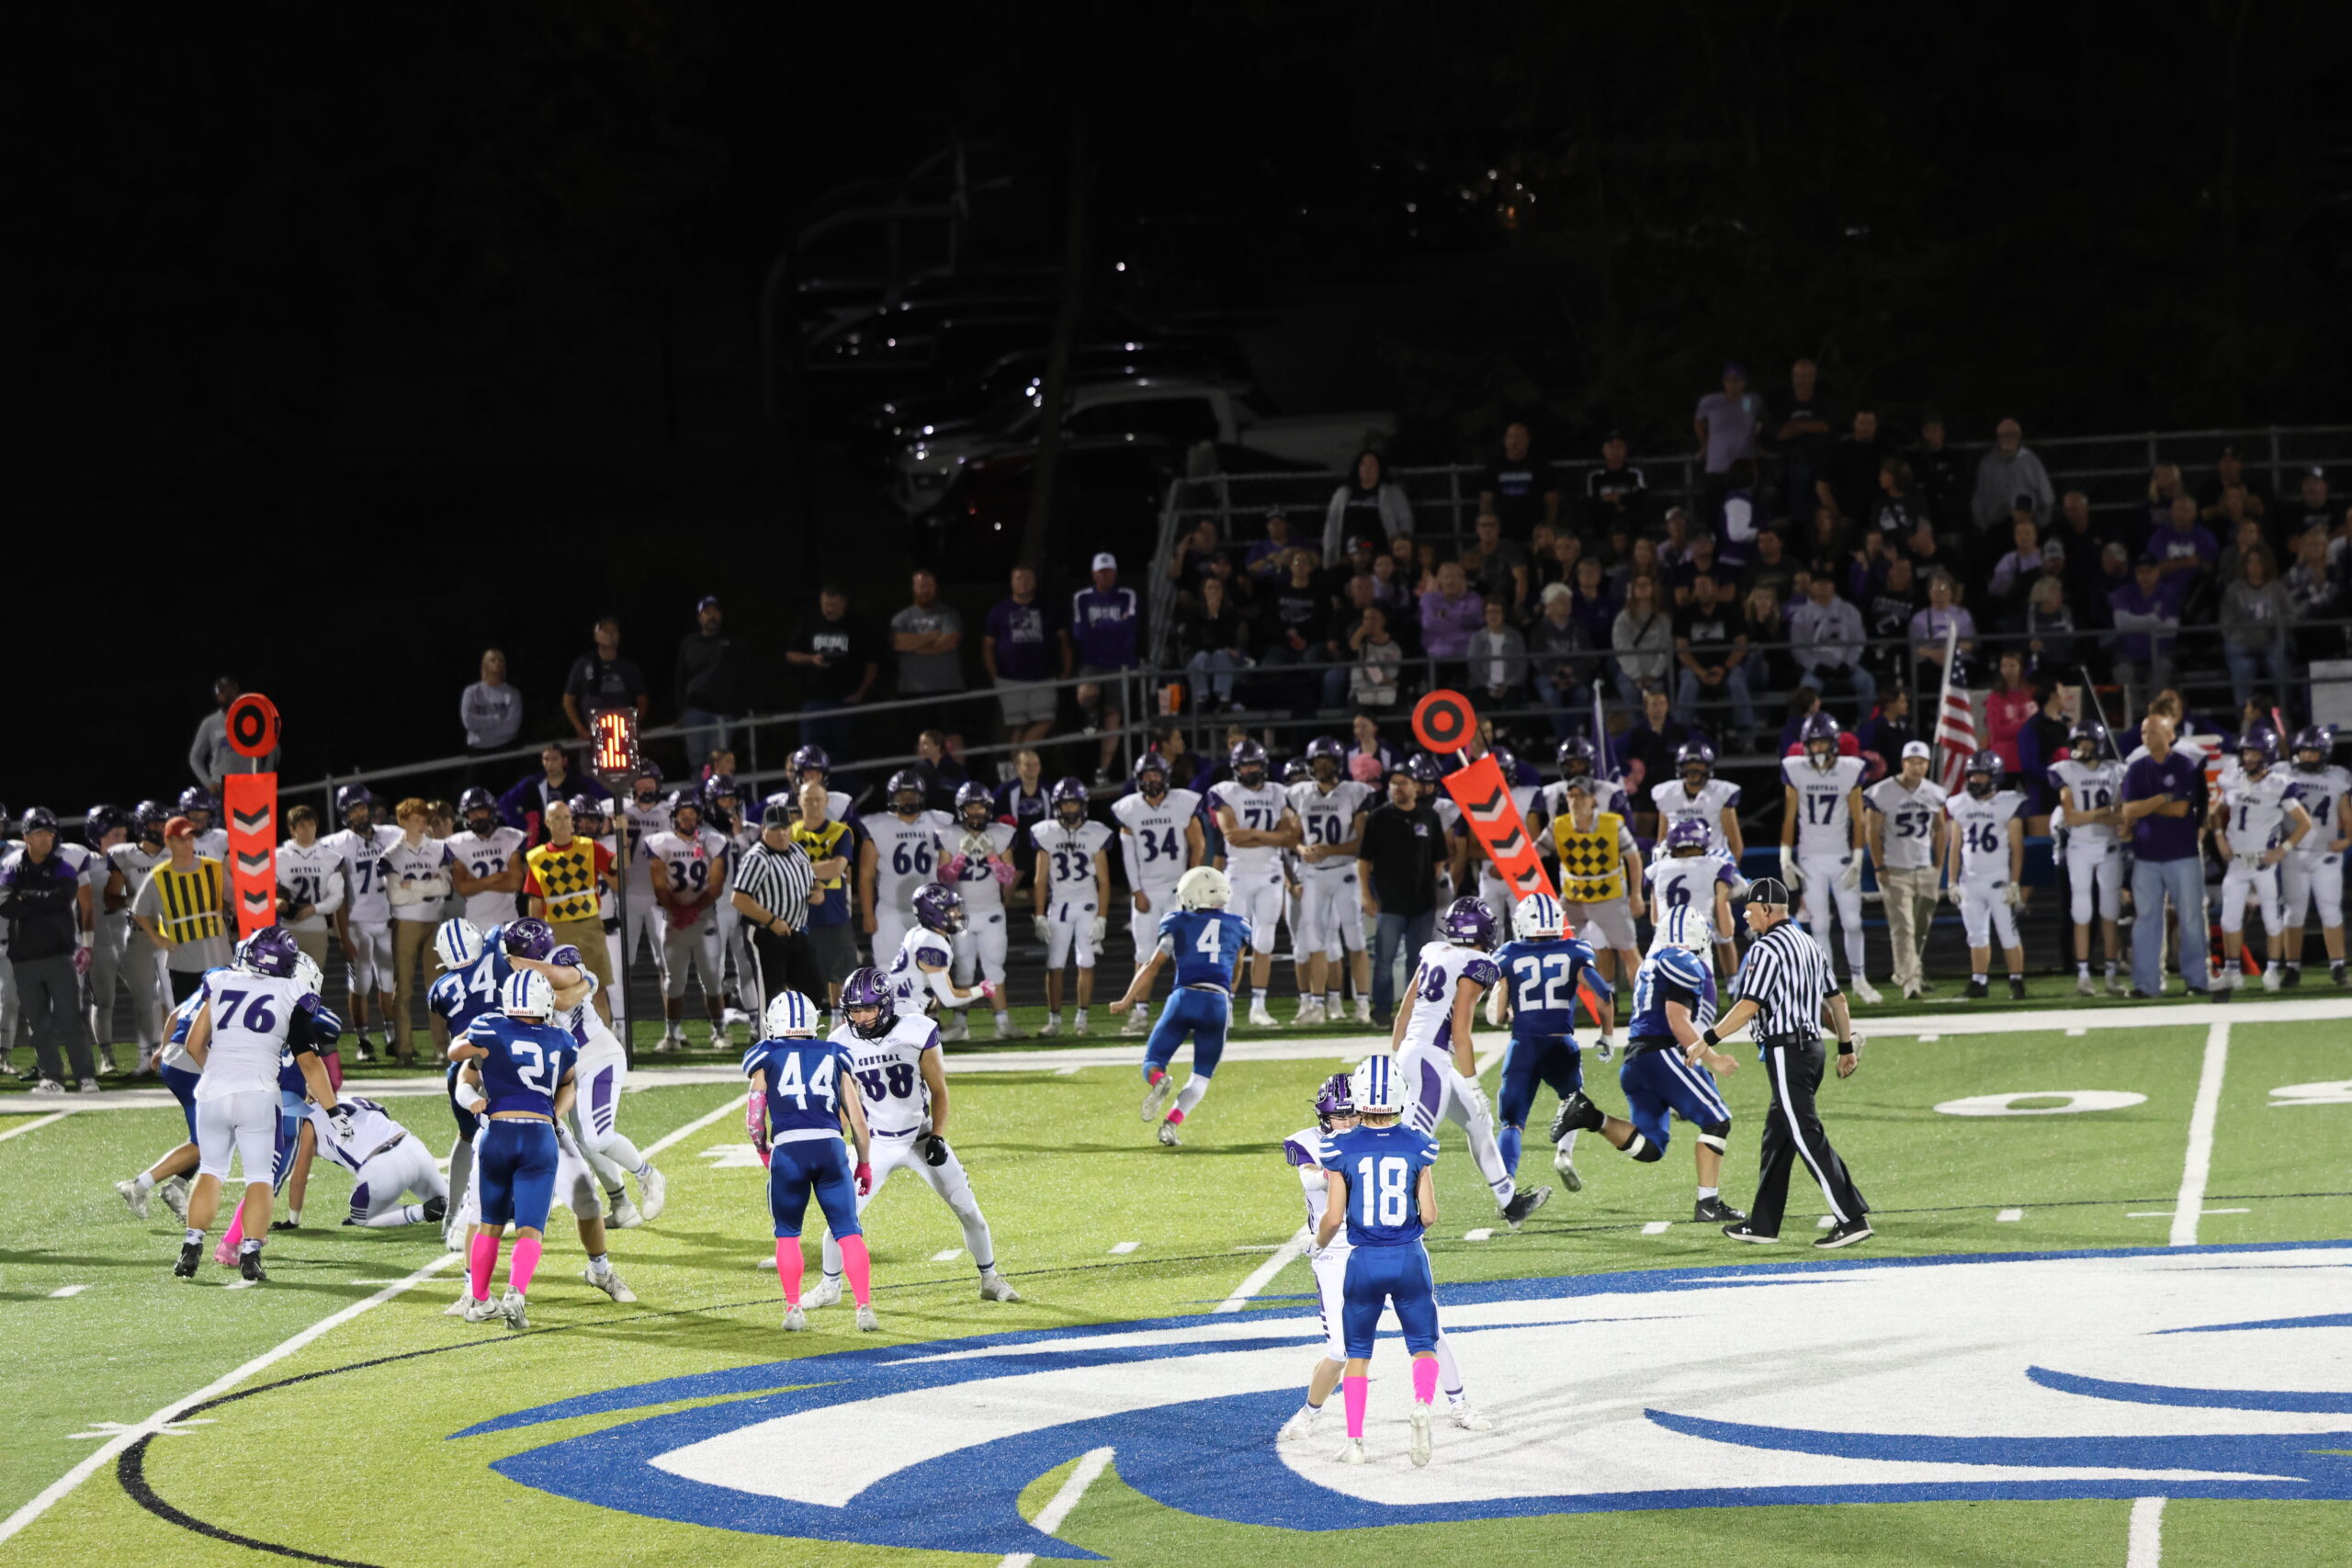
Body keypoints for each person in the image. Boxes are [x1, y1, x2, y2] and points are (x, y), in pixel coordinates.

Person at [1279, 1072, 1485, 1443]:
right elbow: (1311, 1180)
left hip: (1385, 1244)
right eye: (1338, 1116)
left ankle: (1459, 1404)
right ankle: (1311, 1411)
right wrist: (1348, 1161)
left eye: (1351, 1114)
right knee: (1340, 1349)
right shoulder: (1311, 1142)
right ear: (1323, 1116)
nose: (1346, 1122)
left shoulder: (1372, 1140)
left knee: (1431, 1333)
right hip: (1335, 1251)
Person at [809, 967, 1021, 1306]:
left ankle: (990, 1278)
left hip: (919, 1138)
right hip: (874, 1143)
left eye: (868, 1009)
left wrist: (937, 1135)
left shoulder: (916, 1031)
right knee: (841, 1215)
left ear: (885, 1005)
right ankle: (829, 1287)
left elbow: (939, 1090)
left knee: (967, 1208)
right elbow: (846, 1103)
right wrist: (832, 1140)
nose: (860, 1018)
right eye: (854, 1010)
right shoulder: (839, 1042)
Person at [1698, 879, 1871, 1248]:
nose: (1746, 916)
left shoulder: (1766, 949)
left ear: (1766, 909)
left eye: (1749, 910)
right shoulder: (1808, 943)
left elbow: (1749, 1005)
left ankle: (1852, 1218)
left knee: (1806, 1135)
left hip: (1787, 1051)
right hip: (1812, 1049)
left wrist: (1707, 1039)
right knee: (1777, 1140)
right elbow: (1837, 1001)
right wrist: (1845, 1047)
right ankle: (1763, 1225)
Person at [169, 928, 346, 1282]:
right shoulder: (292, 992)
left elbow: (193, 1045)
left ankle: (191, 1247)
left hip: (214, 1092)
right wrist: (333, 1111)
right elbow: (310, 1063)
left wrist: (221, 1073)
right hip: (258, 1095)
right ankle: (250, 1254)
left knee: (211, 1171)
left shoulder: (221, 981)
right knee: (260, 1178)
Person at [1551, 905, 1747, 1224]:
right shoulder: (1683, 962)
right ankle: (1708, 1204)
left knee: (1651, 1147)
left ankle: (1590, 1116)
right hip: (1661, 1055)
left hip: (1637, 1059)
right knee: (1717, 1121)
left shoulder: (1652, 962)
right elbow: (1677, 1020)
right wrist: (1713, 1058)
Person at [1310, 1054, 1447, 1468]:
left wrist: (1318, 1244)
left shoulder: (1339, 1146)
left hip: (1364, 1262)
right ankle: (1422, 1404)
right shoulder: (1419, 1142)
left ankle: (1355, 1442)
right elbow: (1429, 1214)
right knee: (1423, 1346)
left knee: (1358, 1354)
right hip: (1409, 1258)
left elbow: (1333, 1217)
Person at [1392, 897, 1550, 1229]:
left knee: (1479, 1122)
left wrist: (1397, 1058)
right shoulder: (1476, 963)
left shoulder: (1434, 951)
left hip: (1418, 1054)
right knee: (1411, 1147)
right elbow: (1461, 1034)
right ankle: (1386, 1222)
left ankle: (1511, 1203)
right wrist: (1475, 1085)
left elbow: (1404, 1013)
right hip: (1430, 1061)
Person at [447, 971, 578, 1328]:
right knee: (530, 1228)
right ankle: (516, 1294)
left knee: (489, 1224)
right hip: (539, 1135)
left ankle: (480, 1301)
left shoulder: (490, 1028)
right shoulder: (562, 1040)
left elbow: (455, 1053)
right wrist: (555, 1114)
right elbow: (569, 1085)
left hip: (499, 1132)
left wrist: (474, 1034)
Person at [744, 990, 878, 1333]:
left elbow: (755, 1118)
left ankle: (793, 1310)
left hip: (790, 1151)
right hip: (830, 1148)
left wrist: (763, 1148)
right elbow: (859, 1122)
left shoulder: (766, 1054)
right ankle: (864, 1308)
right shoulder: (834, 1053)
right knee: (848, 1232)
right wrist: (863, 1163)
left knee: (788, 1235)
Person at [1486, 891, 1615, 1192]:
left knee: (1512, 1122)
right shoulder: (1575, 950)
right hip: (1561, 1044)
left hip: (1524, 1046)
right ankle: (1564, 1155)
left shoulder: (1508, 954)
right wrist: (1607, 1034)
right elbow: (1604, 995)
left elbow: (1498, 1016)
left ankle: (1506, 1189)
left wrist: (1505, 1013)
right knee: (1573, 1102)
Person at [1780, 713, 1879, 1001]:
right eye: (1814, 743)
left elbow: (1858, 819)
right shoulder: (1796, 769)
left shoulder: (1849, 769)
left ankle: (1859, 979)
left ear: (1833, 743)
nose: (1818, 748)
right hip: (1810, 858)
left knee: (1852, 922)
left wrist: (1858, 858)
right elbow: (1789, 816)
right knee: (1820, 924)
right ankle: (1828, 986)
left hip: (1841, 857)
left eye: (1823, 742)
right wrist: (1785, 855)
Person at [1111, 751, 1206, 1038]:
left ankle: (1187, 1012)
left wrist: (1190, 882)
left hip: (1177, 888)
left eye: (1156, 774)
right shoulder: (1129, 808)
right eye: (1147, 775)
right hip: (1147, 890)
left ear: (1165, 776)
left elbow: (1198, 845)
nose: (1152, 779)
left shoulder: (1181, 802)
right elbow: (1128, 856)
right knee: (1143, 953)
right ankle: (1141, 1013)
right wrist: (1136, 890)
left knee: (1184, 953)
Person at [1, 809, 97, 1093]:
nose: (47, 839)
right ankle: (51, 1076)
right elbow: (5, 904)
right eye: (40, 834)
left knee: (70, 1017)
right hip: (24, 956)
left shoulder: (63, 867)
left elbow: (60, 901)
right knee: (37, 1022)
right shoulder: (12, 867)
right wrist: (39, 899)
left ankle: (85, 1075)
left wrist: (25, 897)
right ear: (26, 837)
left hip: (58, 953)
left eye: (50, 834)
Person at [2211, 729, 2311, 994]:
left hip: (2263, 861)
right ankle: (2232, 972)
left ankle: (2272, 970)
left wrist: (2283, 850)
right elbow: (2217, 811)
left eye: (2254, 753)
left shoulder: (2277, 784)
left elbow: (2304, 823)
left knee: (2272, 920)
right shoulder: (2233, 779)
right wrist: (2219, 837)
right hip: (2237, 861)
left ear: (2266, 756)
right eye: (2246, 753)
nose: (2248, 758)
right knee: (2229, 920)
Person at [2120, 713, 2210, 998]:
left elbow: (2181, 809)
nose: (2147, 738)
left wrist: (2144, 806)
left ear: (2170, 735)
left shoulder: (2184, 765)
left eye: (2154, 732)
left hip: (2182, 853)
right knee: (2146, 920)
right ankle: (2147, 983)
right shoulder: (2136, 768)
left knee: (2191, 918)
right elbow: (2127, 810)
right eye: (2144, 733)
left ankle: (2197, 980)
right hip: (2146, 855)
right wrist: (2161, 798)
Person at [1287, 739, 1374, 1026]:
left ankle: (1362, 1004)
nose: (1321, 767)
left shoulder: (1354, 792)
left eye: (1326, 762)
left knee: (1355, 938)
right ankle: (1317, 1005)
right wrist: (1303, 849)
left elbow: (1362, 842)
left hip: (1344, 871)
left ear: (1337, 764)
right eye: (1317, 762)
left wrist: (1329, 850)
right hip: (1313, 873)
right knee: (1314, 939)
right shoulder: (1300, 793)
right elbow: (1294, 836)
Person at [644, 791, 730, 1048]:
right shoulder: (661, 843)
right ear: (673, 817)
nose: (688, 818)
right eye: (683, 814)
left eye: (692, 813)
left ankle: (720, 1031)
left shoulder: (713, 841)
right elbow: (660, 886)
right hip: (673, 919)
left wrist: (693, 910)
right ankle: (672, 1035)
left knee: (712, 977)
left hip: (704, 918)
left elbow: (716, 885)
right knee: (674, 981)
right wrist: (679, 911)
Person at [2047, 724, 2129, 996]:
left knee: (2110, 911)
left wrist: (2093, 815)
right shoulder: (2066, 770)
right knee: (2081, 910)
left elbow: (2122, 818)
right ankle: (2083, 975)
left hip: (2108, 847)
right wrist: (2105, 812)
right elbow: (2071, 817)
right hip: (2080, 848)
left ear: (2099, 743)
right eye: (2078, 742)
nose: (2082, 747)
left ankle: (2110, 974)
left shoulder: (2116, 771)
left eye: (2087, 741)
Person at [1545, 774, 1644, 993]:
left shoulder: (1612, 824)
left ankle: (1645, 1003)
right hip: (1573, 898)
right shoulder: (1558, 826)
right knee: (1551, 948)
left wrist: (1636, 894)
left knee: (1629, 951)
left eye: (1581, 795)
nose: (1575, 801)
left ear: (1593, 799)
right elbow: (1535, 853)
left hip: (1609, 897)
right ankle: (1553, 1002)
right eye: (1571, 796)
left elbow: (1634, 858)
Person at [1864, 741, 1946, 1000]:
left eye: (1921, 762)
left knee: (1920, 927)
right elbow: (1872, 832)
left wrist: (1938, 865)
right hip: (1895, 869)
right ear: (1903, 763)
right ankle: (1910, 982)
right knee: (1904, 928)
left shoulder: (1934, 793)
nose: (1916, 767)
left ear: (1927, 765)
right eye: (1912, 762)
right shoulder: (1882, 792)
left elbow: (1941, 828)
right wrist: (1879, 865)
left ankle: (1912, 971)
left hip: (1924, 867)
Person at [1942, 750, 2028, 998]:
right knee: (1976, 935)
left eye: (1981, 775)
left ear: (1994, 777)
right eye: (1972, 775)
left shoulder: (2008, 803)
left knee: (2008, 933)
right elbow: (1955, 847)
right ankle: (1979, 982)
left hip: (1998, 880)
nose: (1975, 780)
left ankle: (2017, 981)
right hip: (1969, 881)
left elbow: (2017, 848)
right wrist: (1951, 881)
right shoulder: (1960, 804)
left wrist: (2014, 882)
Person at [130, 816, 233, 1006]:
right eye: (181, 840)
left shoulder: (214, 868)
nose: (187, 844)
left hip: (219, 958)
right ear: (168, 842)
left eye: (190, 838)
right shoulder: (159, 876)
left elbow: (235, 898)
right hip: (183, 964)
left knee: (223, 1015)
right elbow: (139, 912)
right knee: (187, 1017)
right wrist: (157, 938)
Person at [730, 798, 822, 1008]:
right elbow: (739, 898)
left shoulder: (798, 851)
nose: (781, 833)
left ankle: (802, 1029)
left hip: (796, 932)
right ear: (763, 829)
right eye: (775, 828)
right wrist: (772, 921)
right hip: (765, 935)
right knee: (770, 995)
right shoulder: (757, 857)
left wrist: (818, 892)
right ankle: (767, 1030)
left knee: (813, 991)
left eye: (785, 828)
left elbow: (814, 880)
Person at [859, 769, 952, 974]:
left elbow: (949, 868)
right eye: (903, 794)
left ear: (921, 796)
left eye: (912, 794)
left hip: (929, 910)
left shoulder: (939, 822)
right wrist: (868, 914)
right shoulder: (879, 826)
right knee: (889, 969)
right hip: (890, 910)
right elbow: (866, 875)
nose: (908, 799)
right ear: (893, 797)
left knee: (932, 971)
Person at [2280, 726, 2351, 987]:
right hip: (2293, 852)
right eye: (2303, 751)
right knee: (2293, 912)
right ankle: (2292, 968)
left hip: (2325, 853)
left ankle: (2338, 966)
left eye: (2312, 751)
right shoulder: (2284, 773)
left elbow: (2346, 813)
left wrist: (2348, 840)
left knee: (2330, 910)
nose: (2307, 756)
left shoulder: (2337, 777)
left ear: (2324, 753)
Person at [788, 780, 860, 1023]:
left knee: (840, 972)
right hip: (798, 914)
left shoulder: (841, 831)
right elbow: (782, 869)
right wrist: (816, 877)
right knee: (800, 974)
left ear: (826, 801)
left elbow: (836, 867)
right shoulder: (789, 833)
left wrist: (801, 871)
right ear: (800, 802)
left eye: (818, 799)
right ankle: (802, 1024)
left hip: (834, 912)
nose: (813, 804)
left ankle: (839, 1022)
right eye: (808, 799)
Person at [1068, 553, 1139, 783]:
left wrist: (1098, 626)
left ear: (1115, 573)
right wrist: (1113, 626)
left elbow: (1130, 627)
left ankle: (1103, 770)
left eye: (1108, 572)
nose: (1105, 576)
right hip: (1093, 662)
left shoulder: (1127, 594)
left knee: (1113, 715)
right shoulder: (1082, 597)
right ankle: (1091, 715)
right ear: (1093, 574)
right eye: (1101, 572)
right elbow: (1080, 633)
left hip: (1121, 663)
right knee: (1086, 694)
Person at [983, 564, 1066, 752]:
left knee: (1046, 719)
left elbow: (1064, 640)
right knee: (1018, 725)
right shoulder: (999, 611)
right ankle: (1019, 767)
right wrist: (994, 676)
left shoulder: (1048, 608)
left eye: (1027, 578)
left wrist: (1066, 669)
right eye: (1018, 578)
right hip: (1009, 678)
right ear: (1011, 582)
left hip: (1043, 676)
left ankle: (1021, 759)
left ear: (1035, 581)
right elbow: (988, 646)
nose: (1023, 582)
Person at [1670, 571, 1754, 745]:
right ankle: (1679, 738)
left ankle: (1746, 739)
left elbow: (1741, 645)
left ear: (1715, 588)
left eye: (1706, 586)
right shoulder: (1684, 614)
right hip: (1694, 668)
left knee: (1737, 680)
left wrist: (1724, 668)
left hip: (1726, 666)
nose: (1702, 591)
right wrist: (1701, 672)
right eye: (1698, 587)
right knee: (1688, 683)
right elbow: (1682, 650)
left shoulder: (1730, 612)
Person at [671, 595, 747, 763]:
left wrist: (739, 709)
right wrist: (681, 711)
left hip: (723, 712)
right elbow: (680, 678)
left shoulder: (732, 642)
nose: (712, 616)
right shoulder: (689, 643)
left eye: (715, 612)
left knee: (719, 763)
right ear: (700, 617)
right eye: (707, 612)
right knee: (697, 761)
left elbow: (743, 675)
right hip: (694, 711)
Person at [1787, 572, 1875, 715]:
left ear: (1833, 586)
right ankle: (1808, 726)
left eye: (1827, 583)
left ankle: (1867, 724)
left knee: (1866, 681)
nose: (1823, 587)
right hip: (1816, 670)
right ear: (1811, 586)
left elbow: (1858, 642)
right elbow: (1798, 648)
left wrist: (1848, 664)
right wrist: (1815, 666)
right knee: (1806, 690)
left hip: (1847, 667)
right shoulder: (1801, 614)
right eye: (1819, 583)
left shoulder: (1850, 610)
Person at [2221, 547, 2292, 714]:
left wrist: (2274, 624)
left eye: (2259, 562)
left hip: (2271, 642)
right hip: (2242, 645)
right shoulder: (2234, 591)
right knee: (2243, 669)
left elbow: (2291, 616)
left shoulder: (2277, 589)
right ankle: (2244, 718)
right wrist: (2248, 633)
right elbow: (2226, 625)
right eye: (2250, 562)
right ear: (2244, 565)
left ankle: (2285, 715)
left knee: (2279, 665)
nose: (2255, 566)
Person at [447, 787, 526, 937]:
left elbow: (515, 883)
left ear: (491, 810)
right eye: (471, 812)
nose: (476, 816)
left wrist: (476, 883)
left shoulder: (511, 837)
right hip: (476, 923)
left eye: (481, 810)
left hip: (508, 921)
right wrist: (499, 876)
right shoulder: (456, 843)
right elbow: (462, 888)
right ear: (465, 814)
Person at [1650, 738, 1744, 861]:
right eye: (1689, 765)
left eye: (1699, 765)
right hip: (1677, 860)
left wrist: (1731, 869)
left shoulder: (1721, 793)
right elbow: (1662, 838)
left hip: (1713, 859)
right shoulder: (1667, 794)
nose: (1693, 770)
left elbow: (1735, 844)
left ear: (1707, 766)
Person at [560, 615, 648, 739]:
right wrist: (580, 728)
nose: (610, 634)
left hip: (622, 735)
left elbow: (642, 700)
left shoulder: (628, 667)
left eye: (614, 631)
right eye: (605, 631)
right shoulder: (583, 664)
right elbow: (568, 700)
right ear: (596, 636)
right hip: (592, 736)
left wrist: (634, 723)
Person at [186, 675, 279, 791]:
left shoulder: (253, 716)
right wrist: (209, 783)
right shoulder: (210, 723)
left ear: (237, 691)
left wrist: (265, 776)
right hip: (222, 788)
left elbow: (273, 747)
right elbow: (195, 757)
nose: (227, 694)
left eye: (231, 689)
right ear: (217, 697)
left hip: (251, 786)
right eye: (222, 691)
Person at [1321, 449, 1414, 561]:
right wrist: (1329, 554)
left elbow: (1405, 520)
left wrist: (1402, 546)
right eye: (1363, 464)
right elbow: (1331, 525)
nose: (1368, 468)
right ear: (1358, 468)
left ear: (1379, 468)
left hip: (1380, 555)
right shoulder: (1343, 493)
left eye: (1372, 464)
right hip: (1348, 555)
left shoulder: (1392, 492)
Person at [890, 569, 967, 699]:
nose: (926, 590)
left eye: (930, 586)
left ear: (936, 587)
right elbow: (899, 643)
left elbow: (949, 643)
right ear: (914, 588)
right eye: (922, 586)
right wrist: (931, 637)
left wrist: (913, 647)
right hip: (911, 690)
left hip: (948, 688)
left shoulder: (949, 614)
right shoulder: (901, 618)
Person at [1179, 573, 1250, 713]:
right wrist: (1210, 616)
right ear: (1203, 591)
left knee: (1220, 654)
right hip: (1201, 659)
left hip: (1224, 659)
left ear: (1223, 591)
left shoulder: (1230, 614)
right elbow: (1195, 643)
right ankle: (1201, 698)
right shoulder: (1194, 614)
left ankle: (1224, 699)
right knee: (1202, 656)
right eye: (1210, 588)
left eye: (1217, 588)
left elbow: (1230, 641)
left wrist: (1215, 617)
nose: (1214, 591)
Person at [2109, 558, 2179, 695]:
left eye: (2149, 572)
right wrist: (2153, 620)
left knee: (2164, 668)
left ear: (2157, 572)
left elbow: (2171, 630)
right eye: (2140, 572)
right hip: (2128, 654)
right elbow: (2121, 624)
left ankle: (2155, 708)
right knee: (2122, 672)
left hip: (2160, 652)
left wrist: (2133, 623)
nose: (2144, 576)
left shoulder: (2168, 593)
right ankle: (2134, 709)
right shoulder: (2124, 592)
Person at [1971, 418, 2053, 530]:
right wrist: (1983, 527)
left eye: (2012, 435)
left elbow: (2047, 496)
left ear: (2019, 437)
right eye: (2004, 435)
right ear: (1998, 437)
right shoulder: (1987, 464)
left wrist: (2040, 525)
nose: (2008, 438)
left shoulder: (2032, 462)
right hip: (1995, 527)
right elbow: (1978, 499)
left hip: (2026, 527)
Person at [1479, 420, 1557, 536]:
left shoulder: (1539, 464)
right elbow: (1486, 496)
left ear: (1527, 440)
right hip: (1502, 527)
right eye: (1511, 437)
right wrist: (1487, 525)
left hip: (1534, 527)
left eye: (1519, 437)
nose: (1514, 441)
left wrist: (1550, 523)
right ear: (1505, 440)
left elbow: (1551, 497)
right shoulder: (1495, 464)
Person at [458, 649, 524, 763]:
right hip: (478, 752)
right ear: (485, 664)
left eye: (500, 660)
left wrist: (481, 730)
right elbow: (468, 721)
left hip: (506, 750)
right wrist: (496, 719)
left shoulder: (513, 693)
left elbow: (512, 727)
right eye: (492, 660)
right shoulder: (471, 692)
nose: (497, 663)